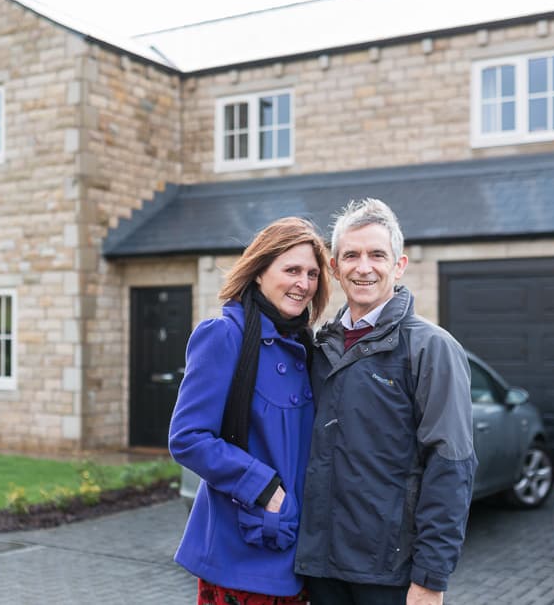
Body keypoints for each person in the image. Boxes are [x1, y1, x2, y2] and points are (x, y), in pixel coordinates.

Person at [294, 198, 476, 605]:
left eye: (377, 254)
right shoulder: (319, 347)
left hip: (389, 576)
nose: (364, 267)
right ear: (334, 267)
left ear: (399, 265)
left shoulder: (430, 349)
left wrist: (431, 578)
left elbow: (451, 468)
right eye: (351, 255)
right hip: (320, 568)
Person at [169, 216, 330, 604]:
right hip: (243, 546)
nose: (303, 283)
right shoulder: (224, 335)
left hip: (297, 549)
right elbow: (187, 438)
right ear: (258, 272)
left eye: (312, 273)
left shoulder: (306, 347)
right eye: (291, 269)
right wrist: (265, 488)